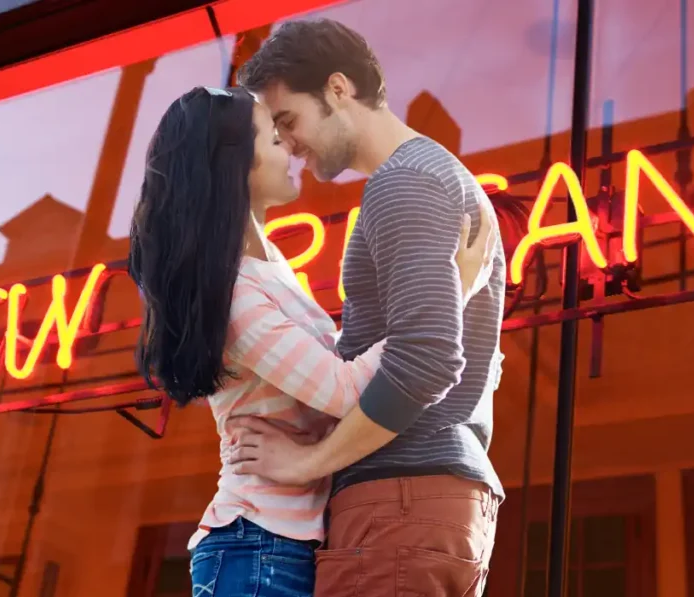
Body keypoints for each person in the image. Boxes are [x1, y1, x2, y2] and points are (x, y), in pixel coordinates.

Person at [127, 86, 496, 597]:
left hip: (290, 543)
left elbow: (338, 368)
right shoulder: (238, 296)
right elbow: (345, 390)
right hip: (257, 547)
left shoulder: (271, 267)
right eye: (274, 138)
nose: (291, 149)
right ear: (235, 163)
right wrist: (446, 295)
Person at [229, 19, 507, 597]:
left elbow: (427, 359)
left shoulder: (405, 183)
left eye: (288, 120)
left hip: (399, 497)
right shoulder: (430, 177)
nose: (289, 144)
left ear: (337, 89)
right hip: (424, 501)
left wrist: (308, 463)